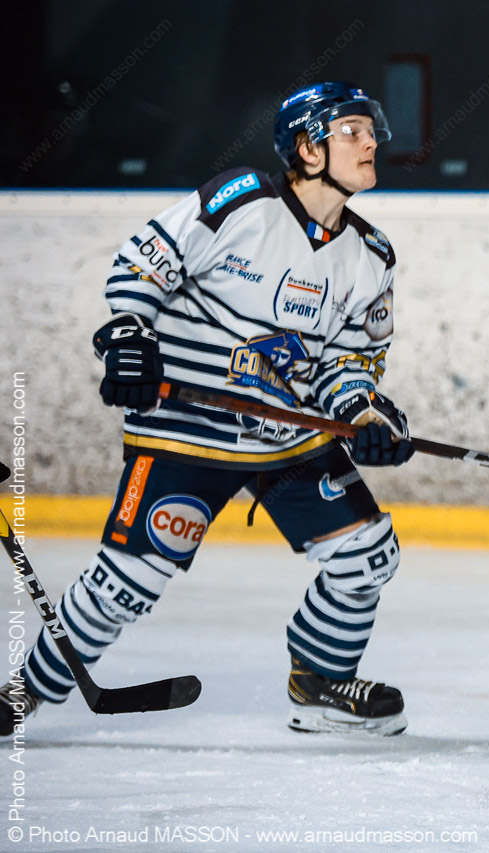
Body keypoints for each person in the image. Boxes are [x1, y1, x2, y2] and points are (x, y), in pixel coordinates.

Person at [0, 81, 415, 738]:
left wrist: (364, 415)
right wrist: (130, 335)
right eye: (352, 131)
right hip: (184, 432)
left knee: (367, 555)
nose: (371, 143)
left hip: (284, 437)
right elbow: (145, 263)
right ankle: (20, 694)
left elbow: (349, 363)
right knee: (125, 583)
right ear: (309, 148)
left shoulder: (371, 255)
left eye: (371, 130)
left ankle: (320, 684)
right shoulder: (243, 201)